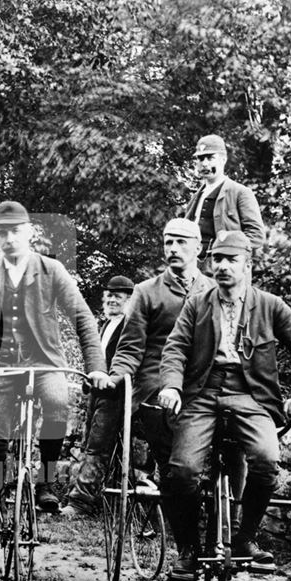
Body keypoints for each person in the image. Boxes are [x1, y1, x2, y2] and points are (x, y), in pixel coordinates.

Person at [158, 230, 291, 581]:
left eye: (231, 260)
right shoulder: (198, 303)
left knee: (266, 460)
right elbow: (175, 348)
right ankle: (188, 550)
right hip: (202, 392)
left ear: (248, 265)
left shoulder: (269, 305)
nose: (222, 266)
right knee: (183, 470)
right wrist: (172, 386)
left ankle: (245, 537)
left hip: (252, 396)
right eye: (217, 259)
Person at [0, 201, 109, 557]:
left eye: (15, 231)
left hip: (44, 363)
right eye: (2, 232)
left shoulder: (51, 270)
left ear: (29, 232)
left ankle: (46, 481)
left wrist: (96, 366)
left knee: (57, 402)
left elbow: (83, 319)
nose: (9, 238)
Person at [63, 218, 218, 519]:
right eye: (167, 242)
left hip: (198, 383)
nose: (173, 248)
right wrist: (116, 375)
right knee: (106, 413)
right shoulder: (147, 292)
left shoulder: (213, 290)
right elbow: (131, 346)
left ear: (199, 248)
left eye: (181, 242)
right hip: (150, 381)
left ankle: (194, 505)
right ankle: (82, 497)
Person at [60, 274, 136, 517]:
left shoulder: (131, 326)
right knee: (86, 444)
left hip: (116, 395)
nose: (112, 300)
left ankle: (81, 503)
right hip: (96, 392)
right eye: (110, 295)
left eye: (118, 296)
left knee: (97, 448)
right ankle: (76, 494)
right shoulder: (105, 325)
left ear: (130, 300)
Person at [183, 135, 265, 260]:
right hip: (194, 268)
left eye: (210, 158)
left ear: (223, 159)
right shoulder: (196, 197)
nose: (204, 163)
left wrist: (228, 251)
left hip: (224, 268)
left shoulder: (240, 192)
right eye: (200, 158)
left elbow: (256, 236)